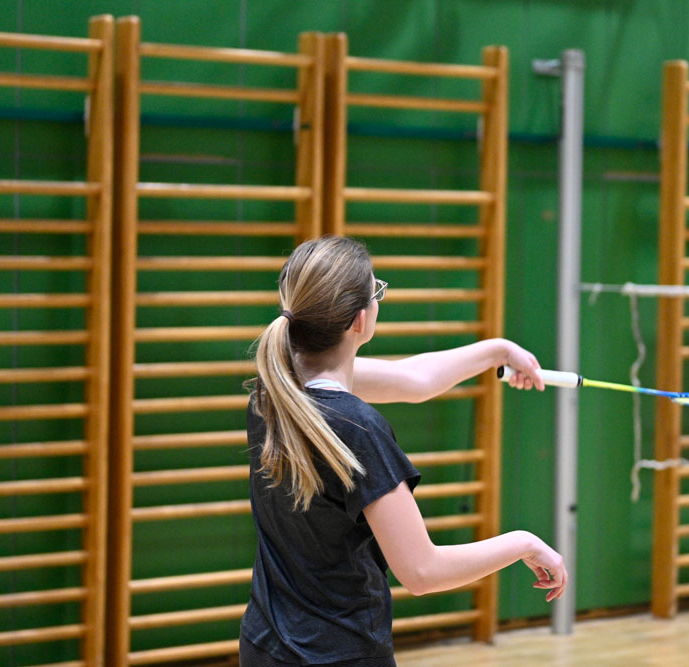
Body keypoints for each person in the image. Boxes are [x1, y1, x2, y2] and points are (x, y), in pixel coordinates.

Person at [240, 236, 567, 667]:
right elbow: (422, 571)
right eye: (377, 292)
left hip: (264, 645)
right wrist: (523, 543)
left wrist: (499, 351)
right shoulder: (357, 429)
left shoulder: (272, 392)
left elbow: (414, 380)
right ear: (360, 320)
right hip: (340, 654)